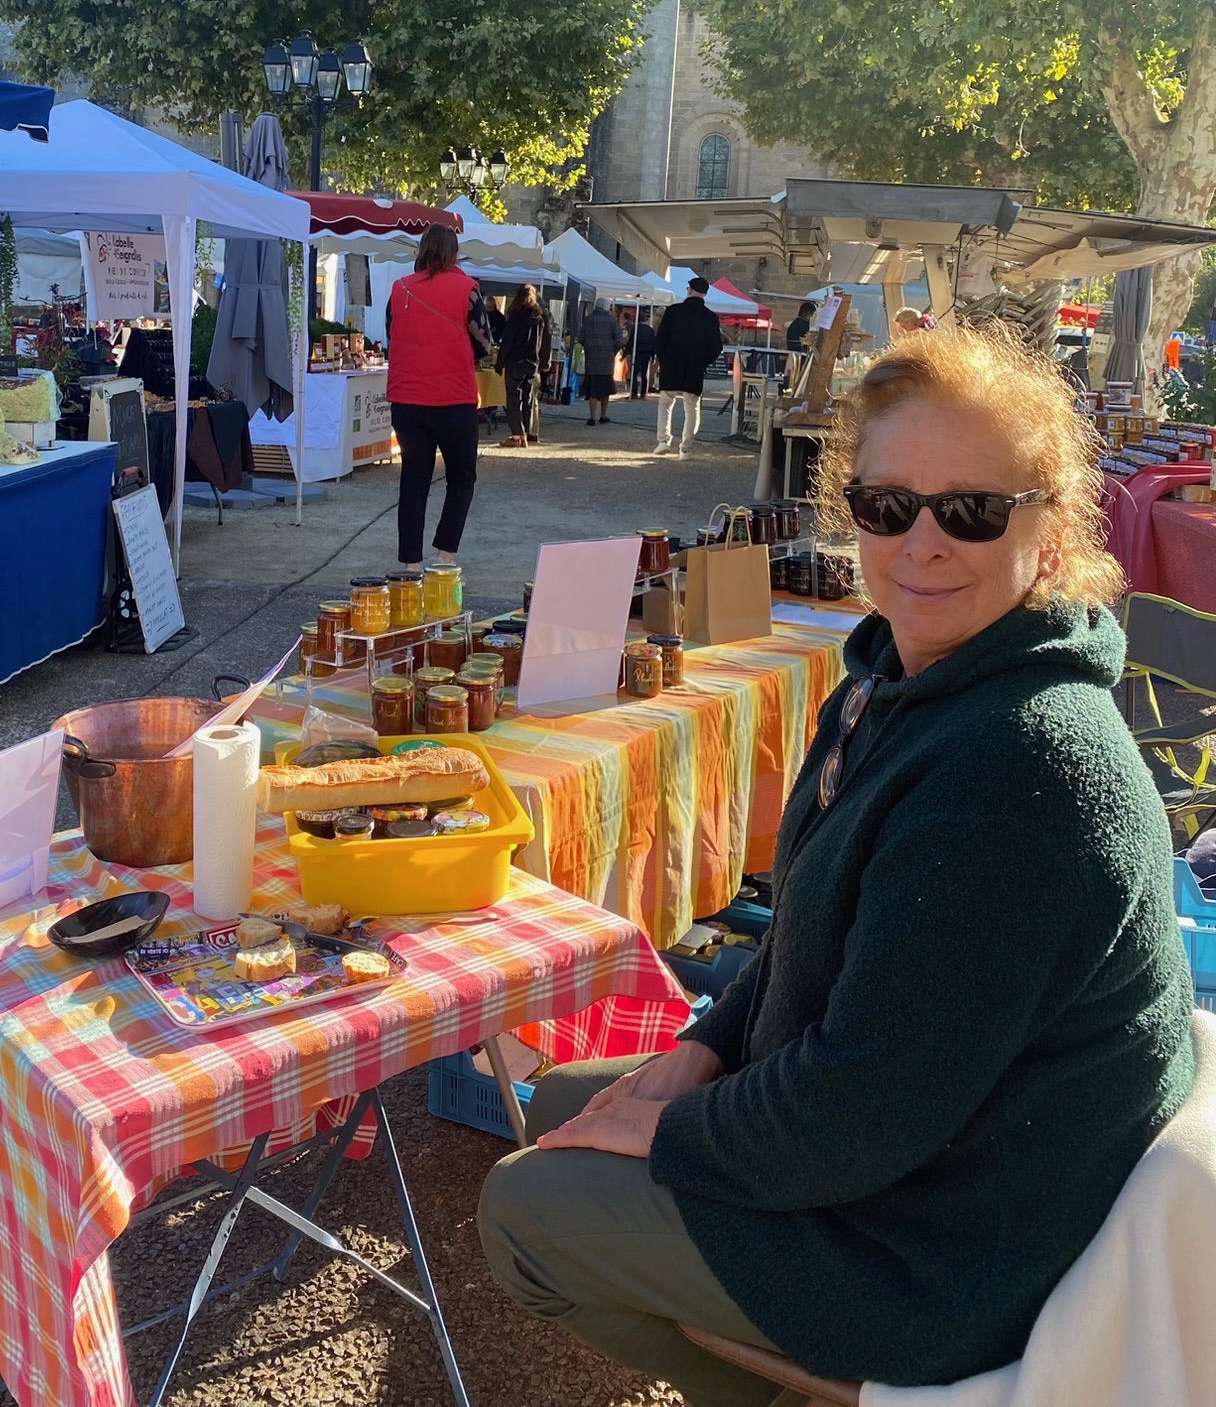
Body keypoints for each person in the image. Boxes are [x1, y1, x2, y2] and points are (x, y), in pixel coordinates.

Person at [479, 327, 1193, 1404]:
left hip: (948, 1244)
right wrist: (701, 1055)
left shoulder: (1019, 762)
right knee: (556, 1103)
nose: (923, 542)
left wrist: (672, 1125)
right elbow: (807, 925)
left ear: (1048, 534)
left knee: (524, 1210)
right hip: (920, 1152)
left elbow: (858, 1117)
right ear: (847, 504)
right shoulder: (888, 683)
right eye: (887, 504)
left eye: (973, 510)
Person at [385, 225, 495, 572]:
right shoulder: (467, 289)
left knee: (414, 480)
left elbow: (391, 333)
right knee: (461, 477)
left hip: (408, 398)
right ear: (454, 253)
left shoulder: (399, 288)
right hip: (452, 399)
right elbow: (484, 341)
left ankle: (410, 563)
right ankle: (445, 553)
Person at [652, 276, 724, 458]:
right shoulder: (710, 317)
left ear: (689, 290)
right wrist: (702, 363)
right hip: (694, 366)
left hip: (671, 363)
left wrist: (663, 360)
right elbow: (716, 346)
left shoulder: (673, 311)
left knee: (665, 402)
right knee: (692, 407)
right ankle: (686, 448)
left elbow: (661, 339)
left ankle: (663, 441)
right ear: (705, 294)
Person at [496, 284, 551, 448]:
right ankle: (525, 434)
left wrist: (500, 363)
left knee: (513, 399)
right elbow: (543, 342)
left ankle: (516, 435)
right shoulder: (540, 318)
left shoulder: (516, 316)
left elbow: (507, 341)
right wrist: (543, 362)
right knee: (527, 400)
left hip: (515, 362)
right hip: (532, 363)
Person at [577, 301, 625, 425]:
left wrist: (589, 347)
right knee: (605, 388)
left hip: (592, 359)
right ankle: (603, 415)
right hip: (607, 361)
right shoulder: (612, 321)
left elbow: (581, 337)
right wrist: (612, 351)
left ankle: (592, 417)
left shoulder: (588, 320)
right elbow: (620, 341)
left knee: (593, 388)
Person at [629, 310, 656, 398]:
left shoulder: (636, 329)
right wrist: (653, 355)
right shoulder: (650, 330)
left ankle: (634, 393)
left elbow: (631, 341)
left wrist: (625, 353)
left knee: (635, 373)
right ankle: (643, 393)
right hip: (647, 353)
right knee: (644, 374)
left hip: (637, 352)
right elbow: (653, 343)